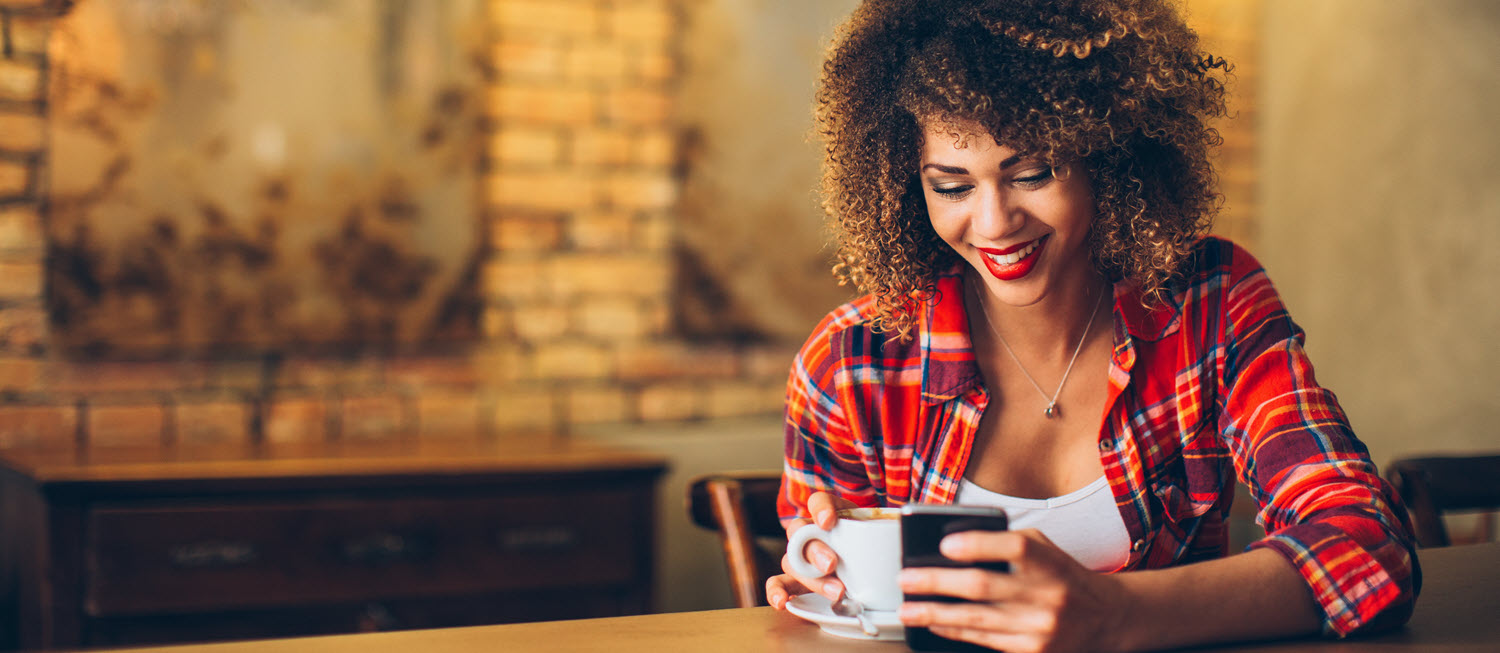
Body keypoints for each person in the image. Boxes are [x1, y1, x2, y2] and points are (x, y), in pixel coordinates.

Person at [768, 1, 1421, 651]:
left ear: (1110, 155)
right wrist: (822, 577)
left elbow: (1370, 545)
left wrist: (1112, 613)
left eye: (1032, 173)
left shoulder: (1207, 303)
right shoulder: (853, 361)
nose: (994, 223)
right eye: (952, 186)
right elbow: (827, 611)